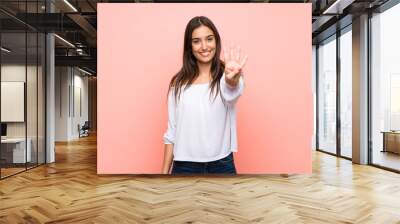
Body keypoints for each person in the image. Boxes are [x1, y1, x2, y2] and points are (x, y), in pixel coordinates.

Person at [161, 16, 248, 175]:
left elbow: (232, 92)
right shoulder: (178, 83)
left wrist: (232, 80)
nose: (204, 46)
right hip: (184, 166)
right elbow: (171, 132)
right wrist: (163, 174)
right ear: (189, 46)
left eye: (209, 39)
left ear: (216, 41)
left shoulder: (226, 76)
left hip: (222, 164)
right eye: (196, 41)